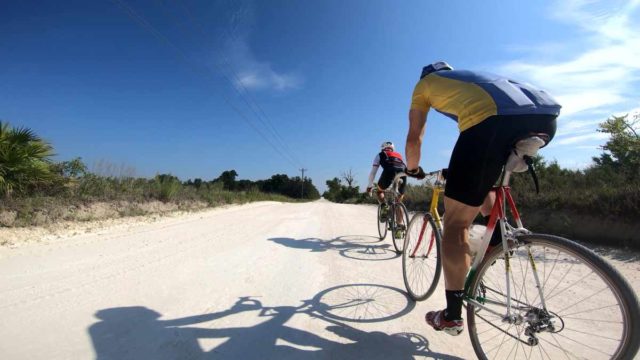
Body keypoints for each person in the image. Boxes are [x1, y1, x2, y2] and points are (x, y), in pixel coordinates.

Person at [404, 61, 560, 336]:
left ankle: (452, 316)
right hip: (545, 117)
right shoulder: (472, 81)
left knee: (454, 225)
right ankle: (498, 235)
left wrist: (413, 168)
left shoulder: (425, 85)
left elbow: (415, 137)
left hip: (494, 122)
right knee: (481, 180)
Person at [366, 141, 408, 237]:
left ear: (382, 148)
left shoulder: (380, 154)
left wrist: (369, 186)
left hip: (389, 172)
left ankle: (384, 206)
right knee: (398, 202)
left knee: (379, 190)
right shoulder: (399, 155)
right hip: (403, 174)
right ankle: (399, 228)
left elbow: (373, 172)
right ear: (392, 148)